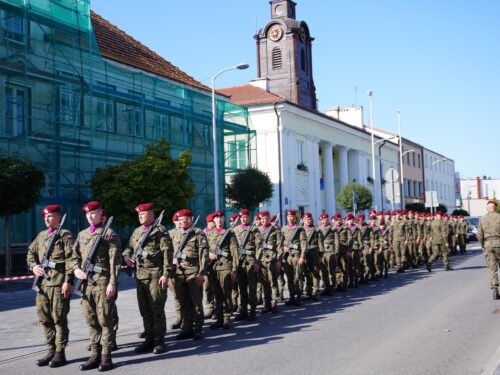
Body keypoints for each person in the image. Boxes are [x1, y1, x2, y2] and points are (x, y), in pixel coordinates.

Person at [72, 201, 122, 372]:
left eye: (93, 213)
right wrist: (76, 269)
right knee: (91, 320)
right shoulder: (82, 234)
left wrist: (112, 282)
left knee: (106, 320)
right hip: (86, 283)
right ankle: (95, 354)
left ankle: (106, 357)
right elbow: (74, 255)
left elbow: (115, 261)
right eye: (87, 214)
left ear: (101, 213)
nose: (90, 216)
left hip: (102, 281)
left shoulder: (109, 234)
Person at [27, 205, 74, 368]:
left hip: (58, 284)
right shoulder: (41, 236)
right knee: (45, 319)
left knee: (59, 319)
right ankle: (51, 349)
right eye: (45, 217)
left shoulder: (64, 235)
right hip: (42, 285)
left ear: (58, 217)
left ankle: (60, 353)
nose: (47, 219)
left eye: (51, 216)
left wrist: (68, 281)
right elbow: (30, 253)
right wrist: (33, 266)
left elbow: (71, 260)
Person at [123, 203, 173, 354]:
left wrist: (166, 274)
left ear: (151, 214)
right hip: (140, 276)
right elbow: (129, 247)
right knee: (145, 310)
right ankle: (149, 340)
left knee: (156, 308)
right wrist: (126, 256)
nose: (140, 216)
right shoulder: (137, 231)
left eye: (143, 214)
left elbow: (167, 253)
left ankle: (159, 342)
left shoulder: (160, 230)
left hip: (155, 275)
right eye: (139, 214)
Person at [170, 209, 209, 340]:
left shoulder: (198, 234)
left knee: (196, 302)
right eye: (179, 220)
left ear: (189, 219)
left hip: (193, 273)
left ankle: (198, 328)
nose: (180, 222)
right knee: (184, 302)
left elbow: (203, 255)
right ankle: (186, 328)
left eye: (183, 219)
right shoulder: (176, 234)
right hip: (179, 274)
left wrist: (201, 273)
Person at [206, 210, 238, 329]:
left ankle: (226, 318)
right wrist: (209, 254)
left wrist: (234, 269)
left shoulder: (229, 233)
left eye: (221, 218)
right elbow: (205, 249)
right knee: (217, 293)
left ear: (224, 219)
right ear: (213, 220)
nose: (219, 220)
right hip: (213, 267)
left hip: (225, 266)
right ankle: (219, 318)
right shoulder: (210, 233)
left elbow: (235, 252)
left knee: (226, 292)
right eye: (217, 218)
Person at [233, 209, 262, 321]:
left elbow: (259, 247)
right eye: (241, 217)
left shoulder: (254, 230)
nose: (243, 219)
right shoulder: (235, 230)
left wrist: (257, 261)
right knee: (242, 288)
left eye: (245, 217)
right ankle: (243, 311)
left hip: (250, 261)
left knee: (252, 287)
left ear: (249, 217)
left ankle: (253, 311)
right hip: (240, 262)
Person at [258, 211, 282, 312]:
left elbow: (279, 245)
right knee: (264, 283)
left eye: (266, 218)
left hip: (272, 260)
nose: (264, 221)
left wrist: (279, 260)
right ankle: (267, 304)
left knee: (273, 283)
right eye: (262, 219)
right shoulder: (257, 230)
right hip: (261, 260)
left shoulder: (275, 230)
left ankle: (273, 304)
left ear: (268, 218)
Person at [282, 210, 306, 305]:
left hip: (296, 255)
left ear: (295, 218)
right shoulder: (284, 229)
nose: (290, 218)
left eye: (292, 216)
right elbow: (280, 242)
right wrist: (283, 248)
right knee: (290, 278)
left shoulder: (300, 229)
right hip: (287, 257)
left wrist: (302, 257)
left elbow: (303, 243)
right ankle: (292, 297)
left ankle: (299, 297)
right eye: (288, 217)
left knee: (298, 277)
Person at [477, 200, 500, 300]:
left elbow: (479, 235)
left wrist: (482, 245)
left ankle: (495, 290)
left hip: (488, 245)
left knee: (492, 269)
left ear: (487, 208)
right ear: (495, 208)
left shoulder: (482, 219)